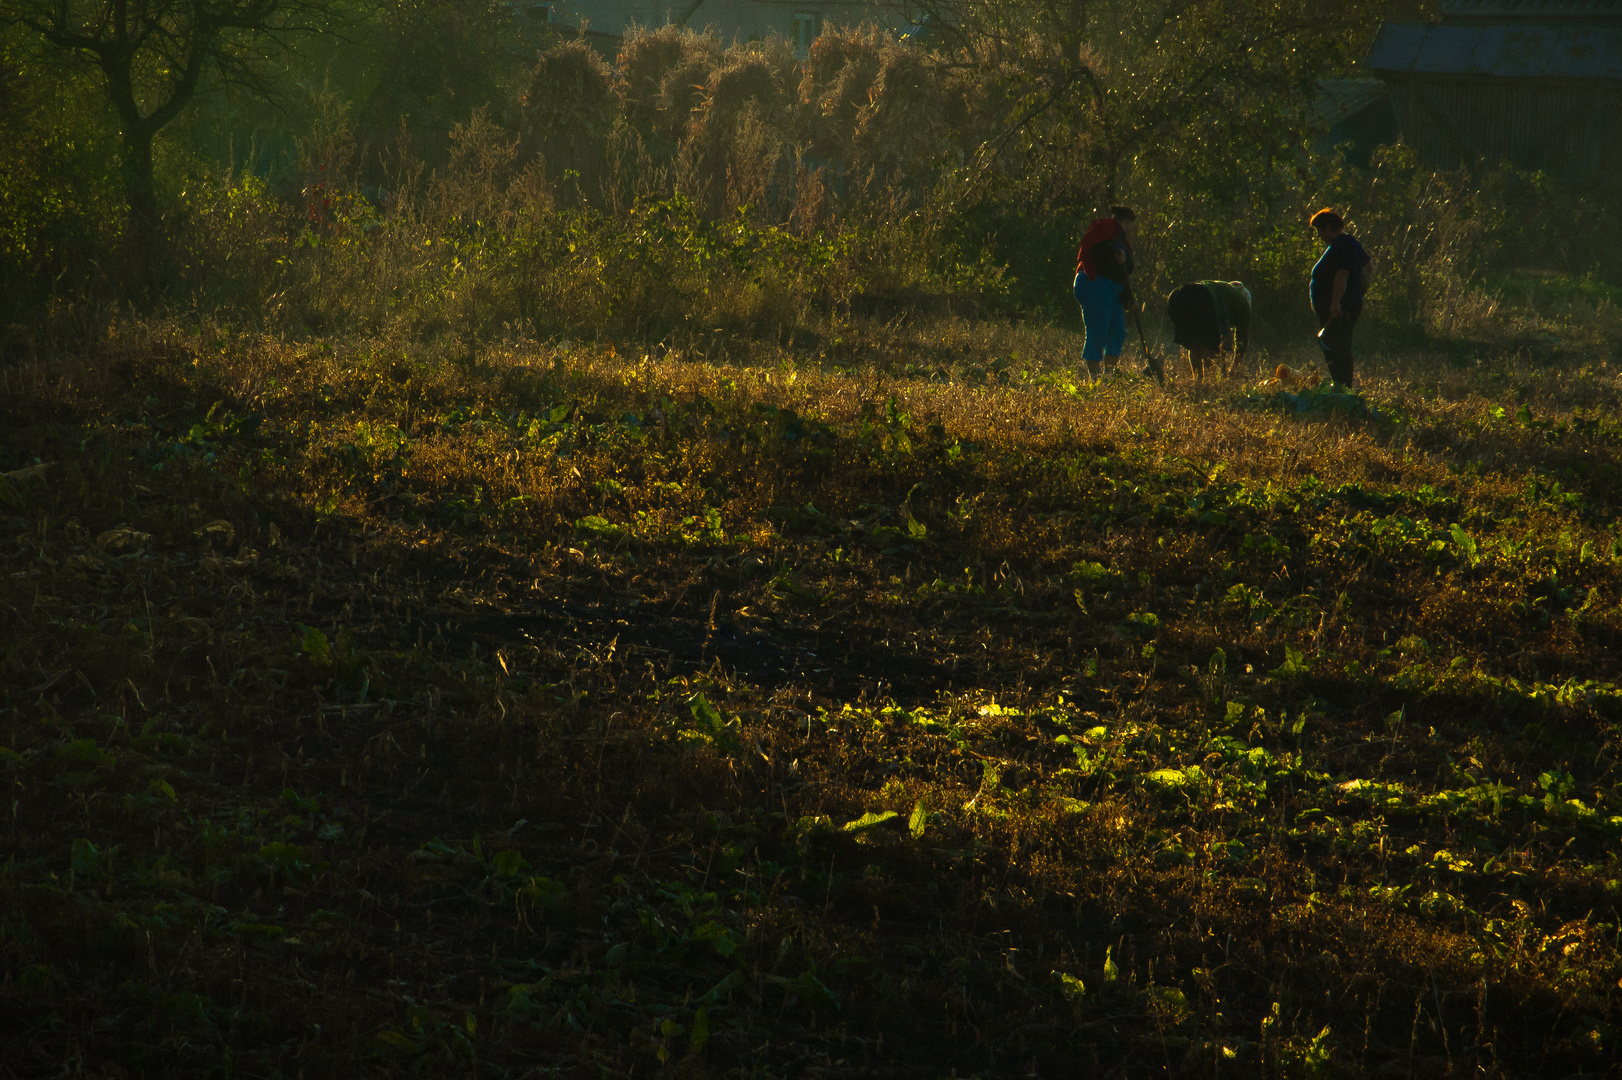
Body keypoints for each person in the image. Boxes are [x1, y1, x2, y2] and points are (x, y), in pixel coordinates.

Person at [1309, 208, 1371, 388]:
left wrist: (1336, 303)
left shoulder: (1342, 245)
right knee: (1338, 344)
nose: (1319, 235)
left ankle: (1342, 387)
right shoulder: (1350, 243)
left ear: (1330, 228)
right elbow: (1369, 266)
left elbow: (1341, 275)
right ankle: (1341, 386)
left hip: (1339, 307)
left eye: (1321, 230)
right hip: (1345, 304)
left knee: (1336, 347)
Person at [1074, 206, 1137, 378]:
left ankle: (1109, 376)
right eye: (1132, 224)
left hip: (1112, 290)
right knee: (1099, 330)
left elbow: (1121, 273)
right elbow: (1095, 250)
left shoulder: (1119, 237)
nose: (1132, 229)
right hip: (1094, 284)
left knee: (1118, 331)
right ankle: (1094, 378)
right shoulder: (1106, 228)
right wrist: (1115, 254)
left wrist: (1128, 298)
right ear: (1126, 221)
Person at [1165, 280, 1252, 381]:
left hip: (1177, 297)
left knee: (1194, 343)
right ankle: (1208, 383)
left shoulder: (1222, 288)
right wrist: (1233, 370)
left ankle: (1198, 382)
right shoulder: (1243, 304)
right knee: (1209, 346)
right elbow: (1242, 343)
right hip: (1203, 299)